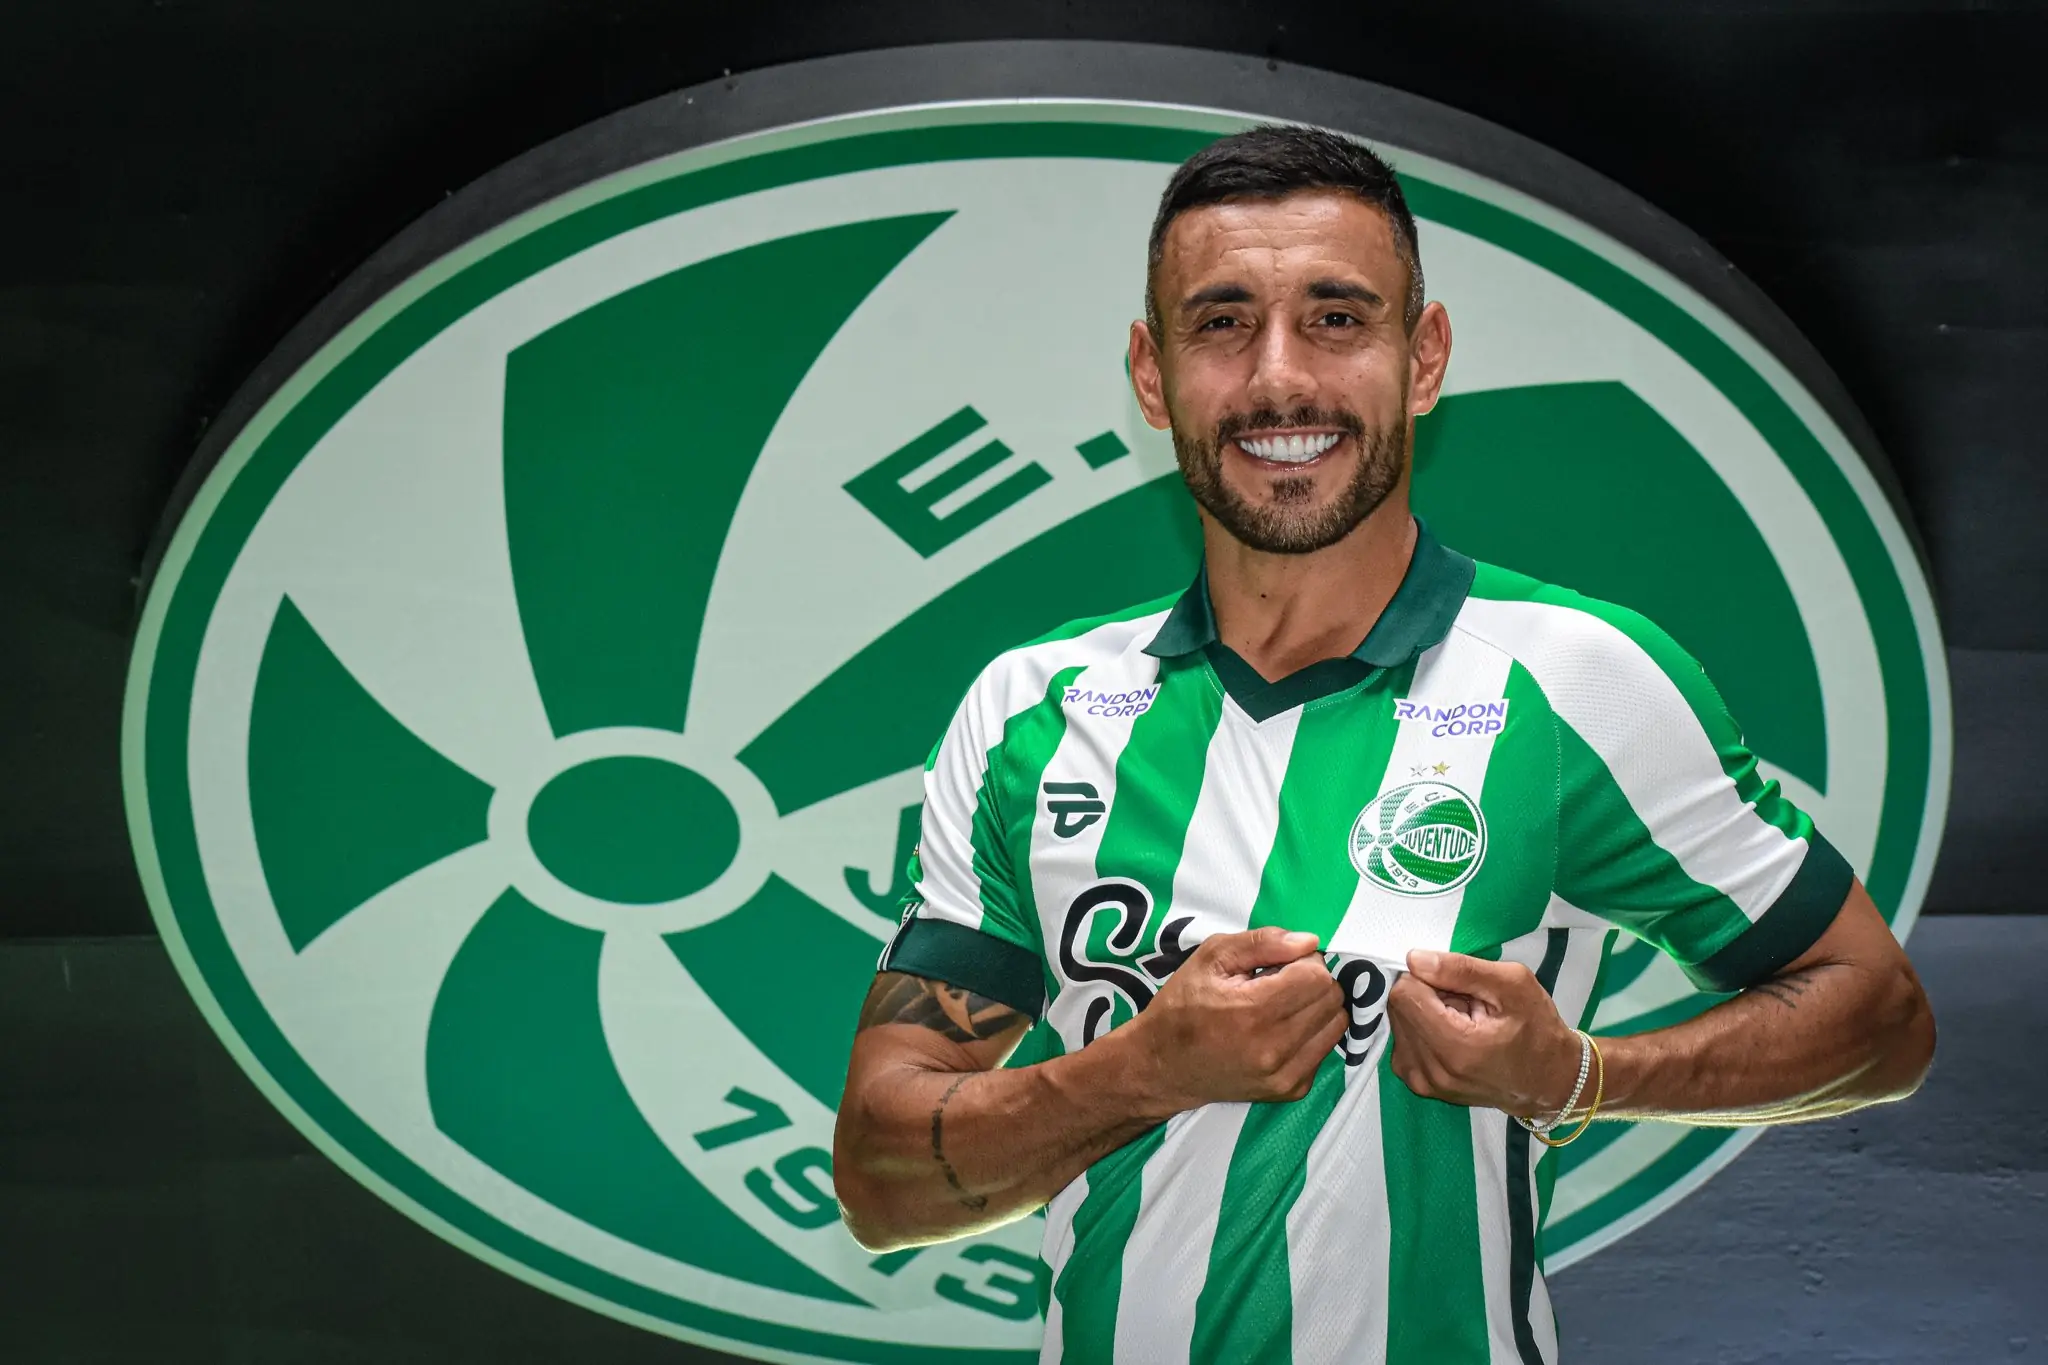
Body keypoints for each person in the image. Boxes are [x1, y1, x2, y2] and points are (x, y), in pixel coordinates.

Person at [831, 124, 1935, 1364]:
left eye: (1337, 319)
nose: (1278, 378)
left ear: (1423, 358)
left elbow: (1880, 1022)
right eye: (1220, 322)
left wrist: (1577, 1079)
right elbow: (881, 1181)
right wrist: (1140, 1069)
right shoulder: (1028, 710)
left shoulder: (1577, 679)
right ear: (1151, 374)